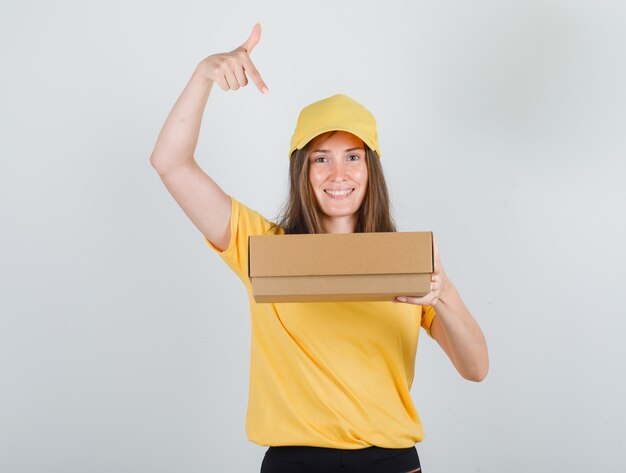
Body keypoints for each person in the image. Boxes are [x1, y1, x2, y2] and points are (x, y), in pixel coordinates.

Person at [150, 23, 488, 473]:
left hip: (390, 463)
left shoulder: (404, 262)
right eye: (320, 159)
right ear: (302, 171)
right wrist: (203, 73)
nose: (338, 174)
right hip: (295, 463)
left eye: (353, 157)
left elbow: (476, 367)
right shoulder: (262, 250)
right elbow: (170, 162)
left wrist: (442, 292)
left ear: (371, 170)